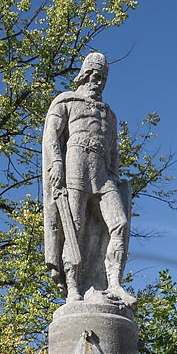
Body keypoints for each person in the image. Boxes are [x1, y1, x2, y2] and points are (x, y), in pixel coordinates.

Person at [42, 52, 135, 306]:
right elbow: (52, 135)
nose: (97, 81)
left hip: (102, 174)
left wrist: (114, 176)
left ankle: (113, 283)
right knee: (75, 227)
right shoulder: (66, 101)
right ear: (83, 76)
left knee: (120, 223)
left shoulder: (109, 114)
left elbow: (114, 151)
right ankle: (73, 288)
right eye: (93, 75)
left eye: (102, 77)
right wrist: (57, 163)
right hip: (75, 165)